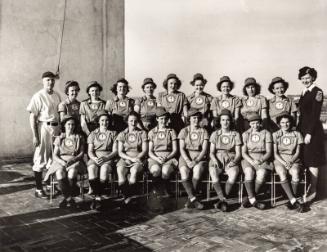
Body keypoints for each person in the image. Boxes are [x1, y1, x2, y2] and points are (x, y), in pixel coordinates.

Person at [27, 71, 61, 198]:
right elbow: (32, 116)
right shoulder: (38, 96)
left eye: (52, 80)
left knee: (53, 158)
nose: (50, 82)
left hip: (56, 127)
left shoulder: (57, 95)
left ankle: (49, 185)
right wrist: (35, 135)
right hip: (44, 128)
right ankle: (38, 189)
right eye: (47, 80)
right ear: (43, 81)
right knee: (40, 157)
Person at [44, 115, 86, 208]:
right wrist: (62, 162)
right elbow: (55, 155)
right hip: (61, 161)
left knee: (72, 173)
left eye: (73, 124)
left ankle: (66, 198)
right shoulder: (60, 138)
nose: (71, 126)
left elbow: (82, 153)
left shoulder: (79, 137)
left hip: (75, 160)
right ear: (64, 125)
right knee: (59, 173)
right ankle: (69, 198)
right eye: (68, 124)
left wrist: (74, 159)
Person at [297, 66, 326, 203]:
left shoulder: (317, 91)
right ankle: (308, 188)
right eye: (303, 78)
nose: (305, 80)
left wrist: (309, 133)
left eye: (308, 78)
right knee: (306, 159)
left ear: (313, 78)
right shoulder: (304, 92)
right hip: (303, 130)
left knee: (313, 161)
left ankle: (314, 189)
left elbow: (315, 115)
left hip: (312, 132)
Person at [209, 109, 242, 211]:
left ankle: (221, 201)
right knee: (213, 172)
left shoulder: (235, 134)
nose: (225, 122)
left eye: (227, 120)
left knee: (233, 174)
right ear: (220, 121)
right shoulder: (215, 134)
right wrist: (215, 160)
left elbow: (239, 153)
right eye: (223, 120)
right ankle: (223, 200)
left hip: (231, 158)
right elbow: (211, 152)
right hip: (217, 158)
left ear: (231, 121)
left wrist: (233, 162)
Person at [272, 112, 304, 212]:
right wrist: (284, 162)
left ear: (291, 123)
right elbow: (275, 153)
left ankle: (291, 200)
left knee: (295, 173)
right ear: (279, 124)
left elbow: (298, 152)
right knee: (282, 172)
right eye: (282, 122)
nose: (285, 125)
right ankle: (293, 200)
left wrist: (291, 161)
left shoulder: (297, 134)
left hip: (293, 159)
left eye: (287, 122)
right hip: (280, 160)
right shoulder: (275, 135)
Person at [178, 108, 209, 209]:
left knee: (197, 170)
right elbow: (181, 149)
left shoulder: (203, 131)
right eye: (193, 118)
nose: (196, 120)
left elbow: (204, 150)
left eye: (197, 118)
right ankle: (193, 199)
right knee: (184, 171)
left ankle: (190, 199)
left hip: (199, 157)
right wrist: (187, 160)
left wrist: (195, 161)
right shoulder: (184, 131)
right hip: (185, 156)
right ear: (189, 119)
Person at [87, 111, 118, 209]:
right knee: (91, 168)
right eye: (102, 120)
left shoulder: (113, 133)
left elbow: (115, 151)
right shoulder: (93, 134)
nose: (105, 123)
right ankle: (98, 196)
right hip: (95, 157)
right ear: (99, 121)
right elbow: (90, 151)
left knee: (104, 170)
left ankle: (97, 197)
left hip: (108, 157)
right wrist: (95, 159)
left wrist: (106, 158)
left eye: (107, 120)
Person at [241, 112, 272, 209]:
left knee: (261, 174)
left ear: (260, 123)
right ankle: (254, 200)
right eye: (253, 123)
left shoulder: (266, 133)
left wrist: (261, 160)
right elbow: (243, 152)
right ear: (249, 124)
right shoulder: (246, 134)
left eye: (257, 123)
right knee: (249, 172)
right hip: (249, 158)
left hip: (262, 158)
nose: (255, 125)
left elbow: (269, 152)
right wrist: (250, 161)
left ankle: (250, 197)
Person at [116, 112, 148, 205]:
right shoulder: (122, 134)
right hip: (125, 158)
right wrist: (128, 158)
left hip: (138, 157)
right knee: (120, 172)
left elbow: (144, 150)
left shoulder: (142, 133)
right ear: (127, 121)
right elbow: (120, 152)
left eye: (135, 121)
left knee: (134, 171)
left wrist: (136, 158)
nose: (133, 123)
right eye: (131, 121)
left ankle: (127, 198)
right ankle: (127, 197)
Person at [148, 107, 178, 196]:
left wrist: (167, 158)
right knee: (156, 170)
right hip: (155, 158)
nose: (163, 121)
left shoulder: (172, 131)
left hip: (169, 157)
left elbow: (175, 149)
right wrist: (157, 159)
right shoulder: (152, 132)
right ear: (157, 119)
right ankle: (156, 190)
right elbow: (150, 151)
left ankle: (166, 190)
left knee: (165, 172)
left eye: (165, 119)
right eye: (161, 119)